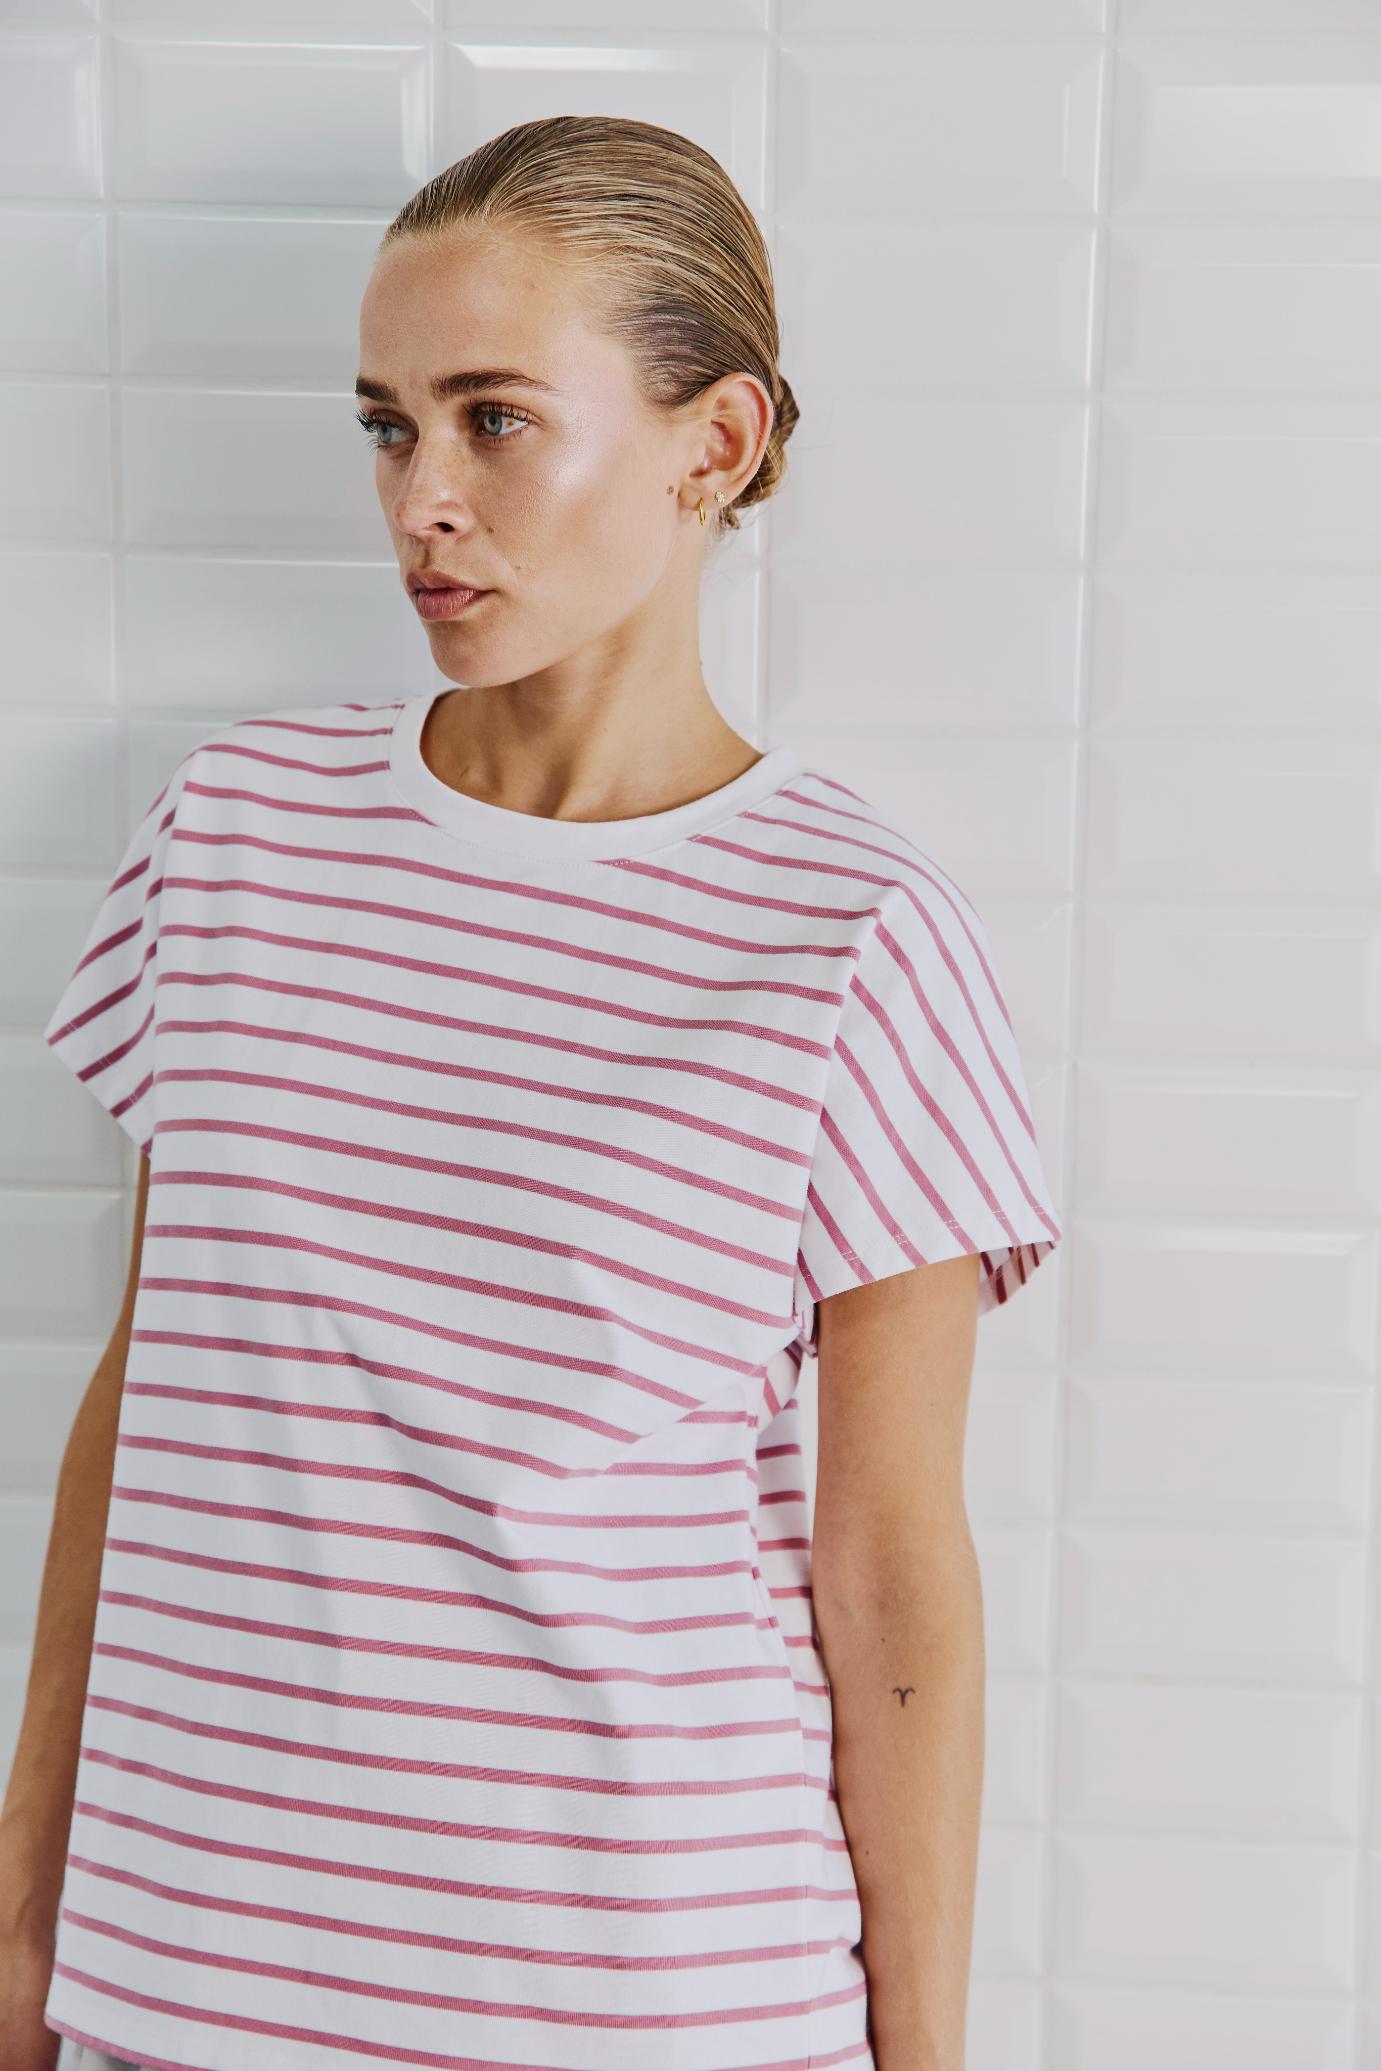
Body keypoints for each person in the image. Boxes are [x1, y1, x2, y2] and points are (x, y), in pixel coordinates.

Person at [1, 114, 1061, 2071]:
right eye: (387, 426)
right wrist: (20, 1921)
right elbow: (148, 1393)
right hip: (187, 1989)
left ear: (710, 444)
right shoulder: (234, 837)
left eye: (495, 421)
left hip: (656, 1997)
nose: (424, 499)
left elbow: (893, 1570)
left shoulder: (855, 935)